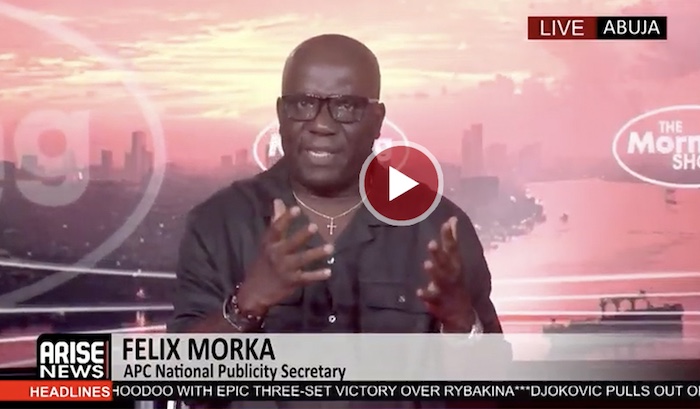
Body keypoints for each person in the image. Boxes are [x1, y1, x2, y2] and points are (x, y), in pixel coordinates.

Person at [169, 34, 509, 408]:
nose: (321, 124)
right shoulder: (218, 224)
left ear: (377, 120)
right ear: (281, 114)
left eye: (345, 106)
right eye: (303, 104)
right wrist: (247, 304)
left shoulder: (439, 227)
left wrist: (461, 326)